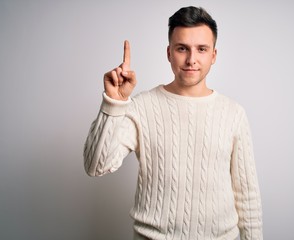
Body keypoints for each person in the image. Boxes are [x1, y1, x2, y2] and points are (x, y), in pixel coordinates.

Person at [84, 6, 263, 240]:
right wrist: (114, 103)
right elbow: (96, 166)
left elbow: (247, 196)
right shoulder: (141, 106)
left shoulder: (233, 113)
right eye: (182, 49)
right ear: (169, 53)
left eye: (201, 49)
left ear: (213, 55)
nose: (191, 59)